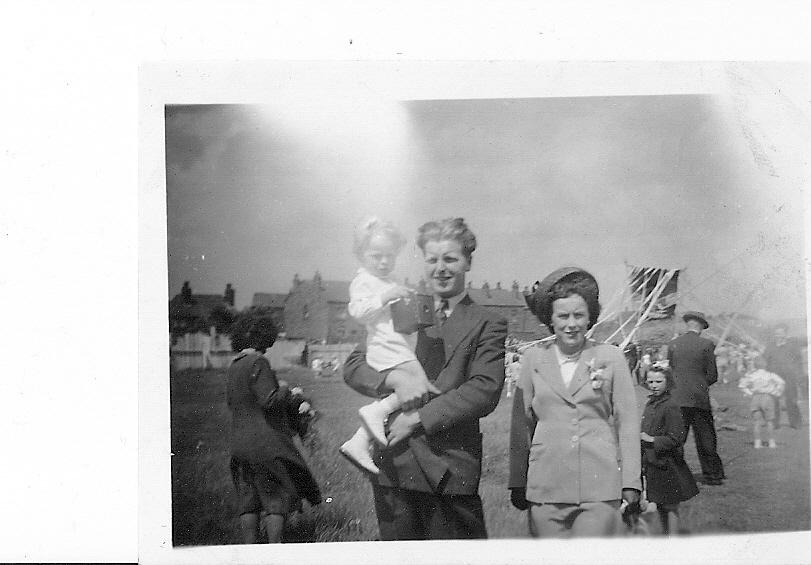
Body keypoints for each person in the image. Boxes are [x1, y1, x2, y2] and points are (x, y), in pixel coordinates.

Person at [343, 217, 507, 540]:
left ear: (468, 262)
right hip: (395, 466)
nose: (440, 269)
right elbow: (354, 365)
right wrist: (393, 380)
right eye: (432, 260)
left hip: (449, 470)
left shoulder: (488, 322)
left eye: (450, 259)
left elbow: (484, 389)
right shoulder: (402, 304)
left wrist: (418, 418)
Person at [508, 267, 641, 538]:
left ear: (590, 317)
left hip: (599, 487)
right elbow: (520, 427)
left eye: (579, 315)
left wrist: (631, 481)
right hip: (546, 486)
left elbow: (627, 423)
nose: (571, 324)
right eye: (563, 316)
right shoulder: (534, 359)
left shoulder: (611, 357)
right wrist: (518, 481)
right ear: (551, 319)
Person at [339, 217, 435, 474]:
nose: (383, 262)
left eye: (389, 256)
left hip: (398, 345)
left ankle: (359, 441)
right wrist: (385, 297)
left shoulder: (389, 280)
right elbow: (357, 310)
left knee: (417, 387)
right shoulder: (363, 281)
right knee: (420, 384)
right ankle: (376, 411)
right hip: (385, 347)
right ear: (361, 256)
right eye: (376, 256)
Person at [226, 313, 321, 543]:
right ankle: (274, 551)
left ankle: (249, 551)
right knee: (275, 499)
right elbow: (269, 401)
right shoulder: (259, 362)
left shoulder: (234, 366)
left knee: (249, 501)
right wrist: (287, 389)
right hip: (266, 446)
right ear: (263, 338)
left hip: (239, 446)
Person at [640, 363, 699, 535]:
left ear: (668, 382)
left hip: (668, 464)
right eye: (650, 382)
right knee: (659, 503)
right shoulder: (651, 403)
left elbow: (677, 437)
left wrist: (652, 439)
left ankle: (673, 541)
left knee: (671, 505)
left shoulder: (671, 405)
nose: (654, 385)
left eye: (658, 382)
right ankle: (667, 537)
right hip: (653, 462)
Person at [667, 311, 725, 485]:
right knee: (706, 437)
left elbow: (669, 370)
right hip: (699, 398)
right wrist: (700, 383)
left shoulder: (673, 344)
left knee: (677, 438)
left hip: (677, 397)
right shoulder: (706, 344)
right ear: (700, 326)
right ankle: (713, 475)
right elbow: (712, 375)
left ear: (688, 325)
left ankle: (675, 474)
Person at [738, 355, 785, 448]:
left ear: (755, 365)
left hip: (755, 398)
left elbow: (742, 386)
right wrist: (777, 392)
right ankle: (771, 443)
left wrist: (750, 393)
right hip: (767, 398)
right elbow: (781, 382)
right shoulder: (770, 375)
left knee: (757, 422)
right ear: (766, 365)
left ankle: (757, 443)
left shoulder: (752, 375)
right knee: (769, 421)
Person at [764, 323, 805, 429]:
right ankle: (774, 423)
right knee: (773, 400)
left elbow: (798, 361)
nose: (778, 335)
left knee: (791, 400)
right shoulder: (770, 346)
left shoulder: (792, 346)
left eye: (781, 333)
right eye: (776, 333)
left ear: (786, 334)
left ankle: (796, 423)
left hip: (789, 377)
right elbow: (765, 360)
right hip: (773, 377)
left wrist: (798, 374)